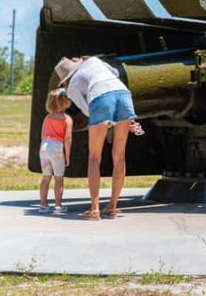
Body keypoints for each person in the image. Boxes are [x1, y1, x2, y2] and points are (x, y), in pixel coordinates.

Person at [54, 56, 141, 221]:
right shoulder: (94, 61)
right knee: (119, 156)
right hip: (123, 94)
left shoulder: (72, 87)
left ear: (66, 78)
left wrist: (106, 120)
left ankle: (95, 209)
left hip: (100, 97)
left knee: (94, 157)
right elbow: (116, 73)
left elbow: (88, 110)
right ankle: (112, 206)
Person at [38, 88, 73, 215]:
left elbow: (42, 134)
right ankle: (58, 206)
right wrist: (67, 156)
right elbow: (67, 139)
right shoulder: (67, 119)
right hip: (57, 148)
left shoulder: (47, 117)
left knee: (46, 177)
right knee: (59, 179)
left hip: (44, 147)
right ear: (65, 102)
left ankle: (43, 205)